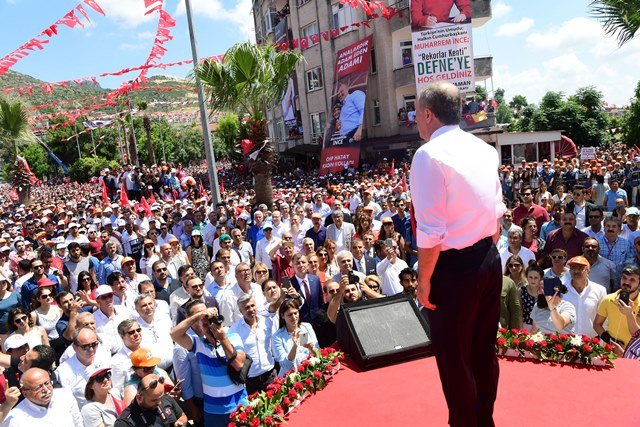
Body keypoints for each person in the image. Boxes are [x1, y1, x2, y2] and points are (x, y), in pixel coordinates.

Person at [410, 81, 505, 427]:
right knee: (483, 350)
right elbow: (496, 217)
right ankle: (484, 418)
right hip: (487, 260)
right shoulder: (483, 148)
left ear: (429, 114)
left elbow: (431, 233)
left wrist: (424, 282)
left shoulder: (428, 156)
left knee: (455, 359)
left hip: (452, 270)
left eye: (415, 112)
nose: (415, 120)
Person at [171, 306, 248, 426]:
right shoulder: (199, 344)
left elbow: (238, 364)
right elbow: (174, 334)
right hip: (212, 411)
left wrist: (222, 339)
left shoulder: (233, 337)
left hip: (238, 406)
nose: (210, 328)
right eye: (205, 325)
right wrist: (199, 315)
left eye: (212, 323)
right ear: (200, 327)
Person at [228, 294, 277, 395]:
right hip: (251, 380)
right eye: (246, 308)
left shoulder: (266, 321)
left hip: (270, 374)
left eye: (252, 306)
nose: (251, 309)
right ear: (241, 311)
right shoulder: (234, 330)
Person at [1, 368, 82, 427]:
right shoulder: (15, 418)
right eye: (38, 388)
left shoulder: (65, 395)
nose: (46, 390)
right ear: (25, 394)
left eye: (47, 383)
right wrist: (8, 403)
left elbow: (78, 423)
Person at [114, 373, 187, 427]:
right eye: (154, 400)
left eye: (160, 397)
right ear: (139, 398)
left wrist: (181, 423)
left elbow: (182, 416)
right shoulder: (124, 423)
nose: (159, 402)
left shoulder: (164, 397)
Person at [594, 265, 640, 348]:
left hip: (632, 353)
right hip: (608, 352)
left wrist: (629, 314)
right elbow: (597, 324)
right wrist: (609, 341)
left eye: (632, 280)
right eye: (624, 278)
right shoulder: (608, 299)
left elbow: (637, 335)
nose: (626, 282)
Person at [271, 299, 318, 377]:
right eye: (289, 315)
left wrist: (311, 348)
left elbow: (317, 353)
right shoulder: (278, 336)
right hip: (291, 377)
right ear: (282, 316)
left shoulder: (306, 327)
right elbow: (285, 365)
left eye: (295, 313)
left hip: (309, 372)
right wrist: (294, 347)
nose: (294, 317)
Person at [562, 256, 607, 336]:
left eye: (580, 268)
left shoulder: (600, 290)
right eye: (573, 268)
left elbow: (604, 318)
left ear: (588, 271)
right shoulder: (560, 289)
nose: (576, 271)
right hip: (565, 341)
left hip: (591, 341)